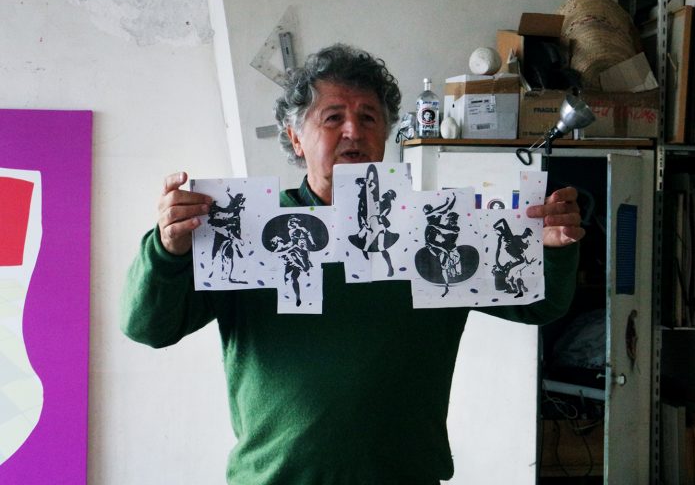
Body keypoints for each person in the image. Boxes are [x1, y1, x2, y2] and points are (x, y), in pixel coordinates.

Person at [121, 43, 585, 485]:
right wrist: (167, 249)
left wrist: (553, 247)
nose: (353, 131)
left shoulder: (431, 227)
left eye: (368, 117)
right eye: (333, 117)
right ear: (295, 138)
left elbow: (539, 306)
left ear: (385, 134)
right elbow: (148, 327)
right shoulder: (249, 230)